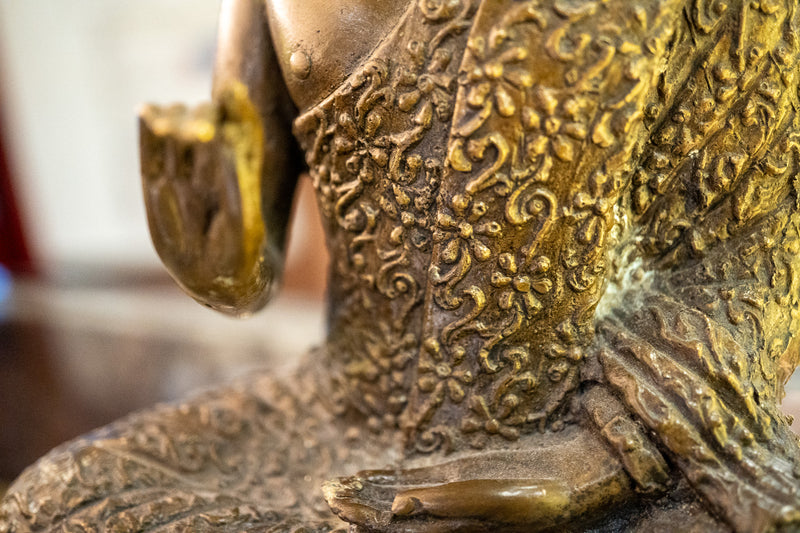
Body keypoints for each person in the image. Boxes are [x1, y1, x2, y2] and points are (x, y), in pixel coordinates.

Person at [3, 0, 800, 531]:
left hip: (598, 439)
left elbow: (761, 249)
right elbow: (246, 271)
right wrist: (212, 255)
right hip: (339, 409)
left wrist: (590, 462)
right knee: (55, 504)